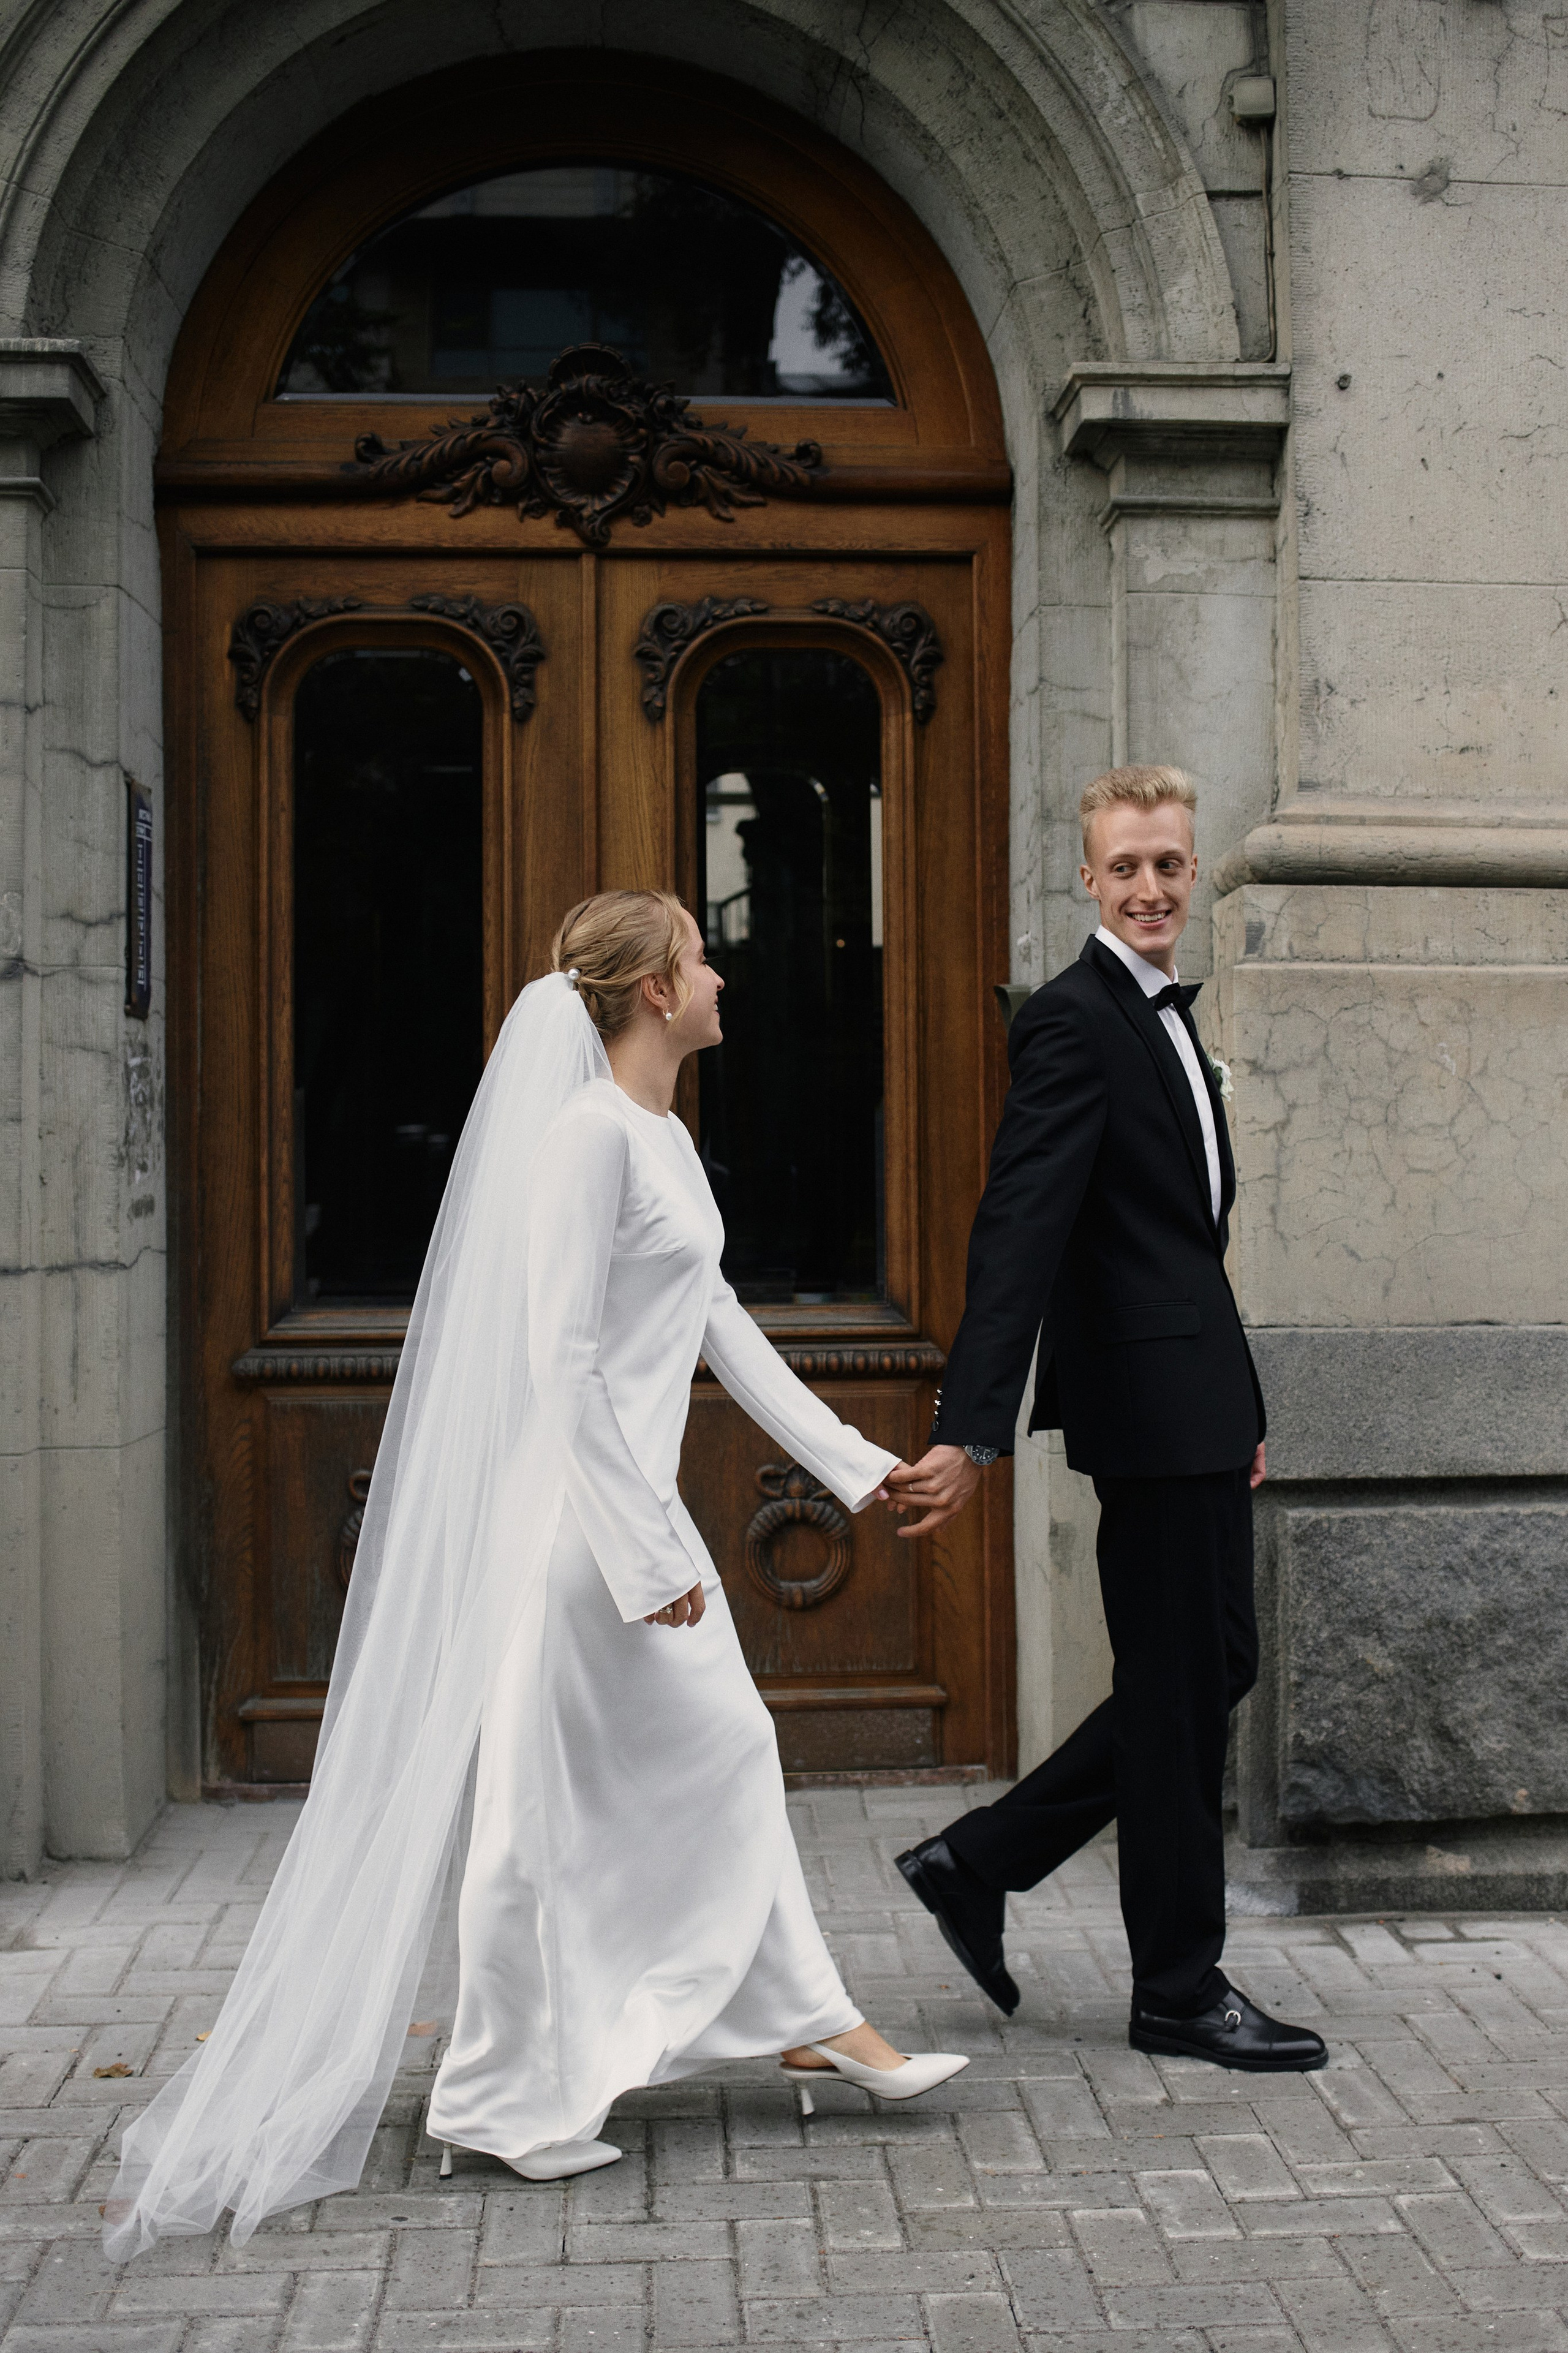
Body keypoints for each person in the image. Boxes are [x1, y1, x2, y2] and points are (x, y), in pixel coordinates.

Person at [105, 891, 964, 2259]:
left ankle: (799, 2024)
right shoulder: (580, 1144)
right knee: (552, 1808)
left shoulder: (663, 1139)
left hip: (633, 1523)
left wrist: (867, 1464)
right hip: (581, 1530)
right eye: (697, 954)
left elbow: (720, 1330)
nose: (720, 970)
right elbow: (555, 1363)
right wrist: (634, 1550)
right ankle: (519, 2087)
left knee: (670, 1774)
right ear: (645, 987)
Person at [886, 766, 1326, 2074]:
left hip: (1193, 1406)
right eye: (1124, 867)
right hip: (1142, 1415)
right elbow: (1018, 1229)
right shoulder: (1074, 1022)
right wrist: (970, 1430)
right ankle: (1177, 1989)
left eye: (1168, 866)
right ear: (1084, 877)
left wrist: (1238, 1407)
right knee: (1183, 1695)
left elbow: (1182, 1244)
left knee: (1205, 1672)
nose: (1147, 888)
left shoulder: (1167, 1019)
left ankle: (982, 1856)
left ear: (1191, 873)